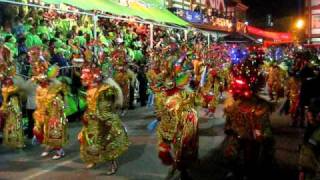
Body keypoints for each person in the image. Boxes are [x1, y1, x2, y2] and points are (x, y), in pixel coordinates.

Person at [223, 52, 274, 179]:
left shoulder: (259, 105)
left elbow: (264, 127)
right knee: (232, 155)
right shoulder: (234, 104)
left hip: (251, 137)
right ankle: (236, 171)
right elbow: (229, 122)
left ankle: (247, 172)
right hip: (239, 135)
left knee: (250, 157)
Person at [78, 66, 129, 174]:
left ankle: (112, 164)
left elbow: (106, 108)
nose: (83, 79)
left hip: (104, 120)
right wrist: (87, 115)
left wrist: (101, 118)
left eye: (86, 78)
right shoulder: (90, 90)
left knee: (107, 142)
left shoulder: (105, 90)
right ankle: (93, 160)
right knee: (90, 140)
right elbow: (90, 105)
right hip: (92, 119)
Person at [0, 46, 24, 148]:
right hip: (5, 97)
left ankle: (15, 139)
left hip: (11, 98)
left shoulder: (10, 67)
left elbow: (13, 81)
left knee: (14, 117)